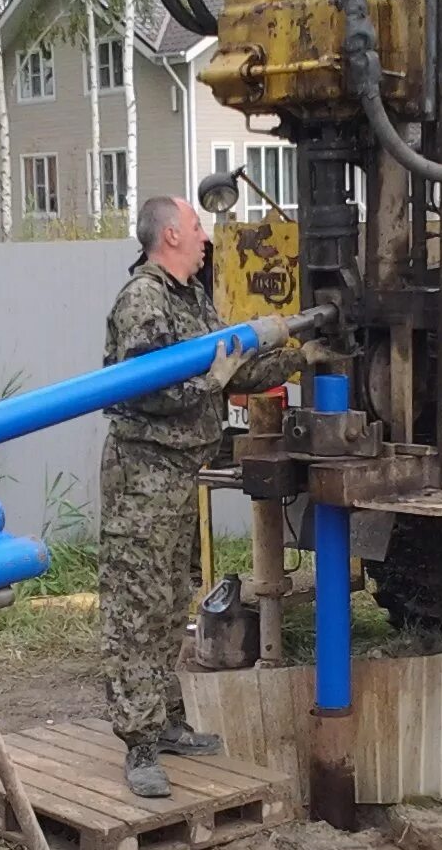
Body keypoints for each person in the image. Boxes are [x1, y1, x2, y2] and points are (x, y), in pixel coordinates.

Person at [99, 195, 310, 797]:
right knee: (136, 607)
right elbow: (146, 388)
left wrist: (300, 352)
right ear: (169, 235)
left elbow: (233, 367)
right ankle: (137, 745)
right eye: (196, 226)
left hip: (177, 473)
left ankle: (164, 720)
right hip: (143, 474)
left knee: (170, 599)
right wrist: (206, 384)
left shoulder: (190, 296)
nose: (205, 236)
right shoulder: (144, 298)